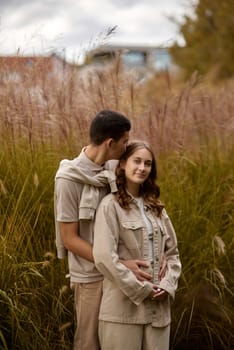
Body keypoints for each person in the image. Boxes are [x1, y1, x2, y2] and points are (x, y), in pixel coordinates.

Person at [54, 111, 156, 350]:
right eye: (125, 142)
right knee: (89, 342)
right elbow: (69, 239)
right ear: (111, 143)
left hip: (120, 272)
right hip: (90, 276)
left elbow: (137, 206)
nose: (127, 147)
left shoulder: (114, 167)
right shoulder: (69, 179)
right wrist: (117, 262)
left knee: (116, 342)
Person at [93, 140, 182, 350]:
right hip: (122, 312)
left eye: (148, 164)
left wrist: (167, 285)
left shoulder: (156, 207)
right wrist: (142, 290)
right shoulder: (110, 206)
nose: (142, 168)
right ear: (123, 163)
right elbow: (104, 257)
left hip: (158, 311)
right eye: (137, 161)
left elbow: (173, 254)